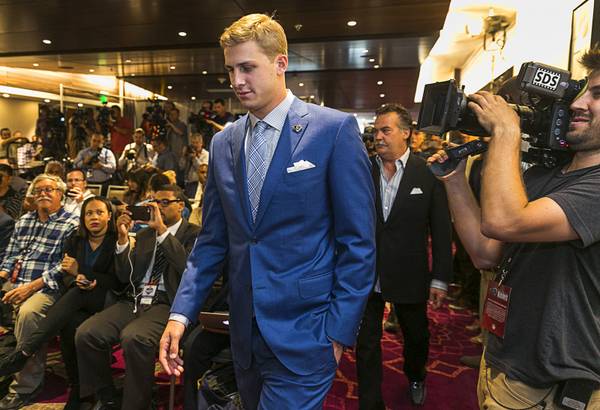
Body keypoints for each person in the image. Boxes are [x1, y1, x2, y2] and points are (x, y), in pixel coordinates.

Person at [160, 13, 376, 410]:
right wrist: (180, 314)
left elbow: (358, 243)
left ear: (280, 63)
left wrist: (338, 333)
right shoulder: (224, 143)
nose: (237, 81)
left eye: (247, 68)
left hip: (308, 334)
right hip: (243, 335)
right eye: (230, 70)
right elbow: (211, 242)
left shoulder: (333, 130)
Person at [428, 48, 600, 409]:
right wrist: (455, 182)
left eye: (597, 95)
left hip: (553, 382)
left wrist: (507, 129)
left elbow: (506, 220)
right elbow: (485, 252)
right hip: (505, 362)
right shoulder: (547, 173)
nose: (578, 104)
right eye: (580, 93)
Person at [355, 104, 453, 408]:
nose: (378, 137)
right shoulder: (361, 169)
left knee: (416, 336)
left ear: (406, 133)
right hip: (365, 272)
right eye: (376, 131)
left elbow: (441, 230)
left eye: (386, 130)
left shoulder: (427, 173)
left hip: (410, 272)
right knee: (366, 342)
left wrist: (440, 278)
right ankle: (370, 401)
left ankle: (415, 375)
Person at [75, 185, 200, 410]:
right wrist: (123, 241)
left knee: (134, 337)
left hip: (168, 302)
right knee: (87, 333)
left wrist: (162, 231)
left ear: (181, 206)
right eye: (155, 202)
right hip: (135, 298)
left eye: (164, 202)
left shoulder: (194, 233)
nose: (158, 208)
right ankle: (107, 396)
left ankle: (137, 404)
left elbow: (187, 270)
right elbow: (125, 276)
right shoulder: (143, 235)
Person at [0, 196, 120, 410]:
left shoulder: (115, 240)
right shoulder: (76, 239)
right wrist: (75, 278)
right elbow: (65, 274)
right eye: (89, 213)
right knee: (69, 324)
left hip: (106, 299)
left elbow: (117, 279)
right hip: (78, 300)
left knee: (73, 296)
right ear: (83, 218)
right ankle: (79, 388)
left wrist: (83, 275)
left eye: (99, 212)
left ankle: (24, 352)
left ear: (109, 216)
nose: (94, 217)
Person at [0, 174, 79, 410]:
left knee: (28, 314)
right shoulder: (24, 220)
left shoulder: (71, 223)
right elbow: (10, 257)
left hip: (47, 287)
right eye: (39, 190)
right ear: (32, 196)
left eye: (50, 189)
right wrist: (1, 277)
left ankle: (26, 387)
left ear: (60, 195)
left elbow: (63, 267)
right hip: (15, 283)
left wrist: (30, 287)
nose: (43, 193)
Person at [179, 133, 209, 198]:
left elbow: (203, 169)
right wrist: (183, 156)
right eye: (193, 143)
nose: (195, 145)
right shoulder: (189, 153)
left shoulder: (206, 154)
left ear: (201, 143)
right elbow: (181, 167)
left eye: (197, 143)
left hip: (198, 184)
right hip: (188, 183)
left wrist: (194, 158)